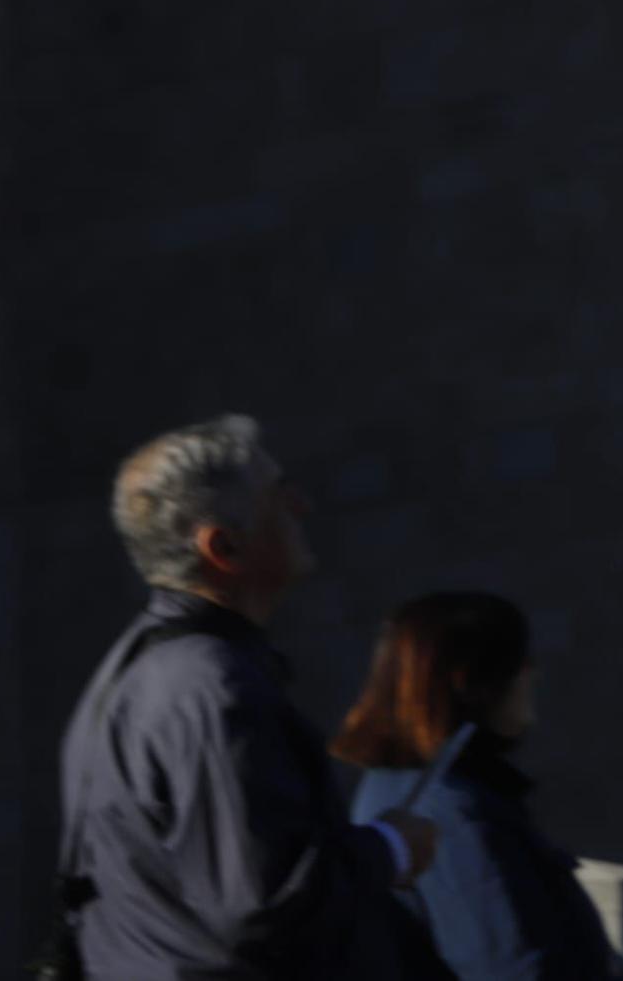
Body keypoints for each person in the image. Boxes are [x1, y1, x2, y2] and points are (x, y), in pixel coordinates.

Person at [52, 414, 442, 979]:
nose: (302, 506)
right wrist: (392, 847)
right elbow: (265, 904)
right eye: (280, 495)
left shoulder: (134, 672)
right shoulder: (211, 687)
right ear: (224, 547)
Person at [334, 591, 623, 980]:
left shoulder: (412, 792)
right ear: (475, 682)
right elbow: (511, 965)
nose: (534, 674)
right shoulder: (446, 811)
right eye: (523, 661)